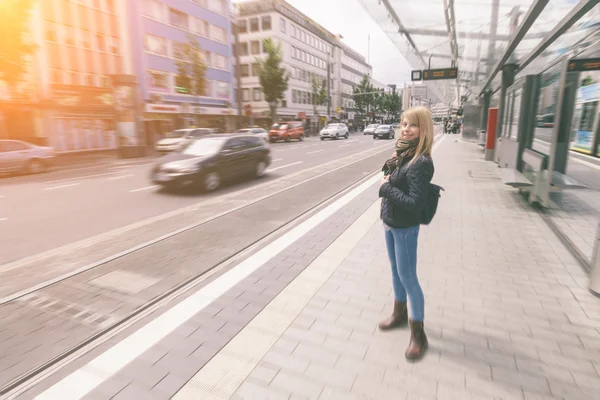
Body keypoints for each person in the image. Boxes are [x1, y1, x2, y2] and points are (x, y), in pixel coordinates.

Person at [378, 106, 435, 361]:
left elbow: (414, 203)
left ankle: (418, 334)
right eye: (403, 124)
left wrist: (386, 188)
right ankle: (399, 313)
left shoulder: (420, 162)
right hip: (390, 223)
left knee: (409, 278)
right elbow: (389, 176)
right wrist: (390, 170)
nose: (405, 129)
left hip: (405, 228)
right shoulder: (403, 153)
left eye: (412, 125)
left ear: (423, 129)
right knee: (395, 271)